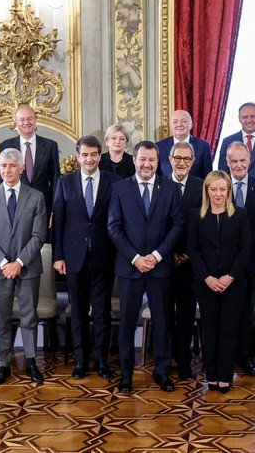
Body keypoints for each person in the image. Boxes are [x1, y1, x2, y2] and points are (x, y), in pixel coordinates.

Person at [108, 140, 183, 394]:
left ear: (157, 161)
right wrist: (136, 258)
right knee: (127, 323)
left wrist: (156, 255)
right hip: (129, 269)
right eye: (142, 159)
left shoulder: (171, 189)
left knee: (163, 323)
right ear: (134, 160)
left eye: (151, 160)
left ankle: (162, 373)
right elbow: (114, 228)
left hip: (160, 269)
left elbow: (177, 226)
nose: (147, 164)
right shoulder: (119, 189)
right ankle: (126, 374)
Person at [0, 148, 48, 385]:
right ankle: (3, 365)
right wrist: (5, 263)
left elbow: (39, 236)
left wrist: (18, 263)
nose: (7, 170)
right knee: (2, 317)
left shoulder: (36, 197)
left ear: (21, 168)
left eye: (12, 166)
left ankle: (30, 361)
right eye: (3, 166)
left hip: (27, 267)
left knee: (29, 317)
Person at [52, 136, 120, 379]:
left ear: (100, 155)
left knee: (101, 312)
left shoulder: (114, 181)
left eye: (93, 154)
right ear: (78, 156)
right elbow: (58, 221)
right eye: (85, 155)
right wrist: (58, 256)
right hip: (73, 257)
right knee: (78, 312)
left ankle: (101, 360)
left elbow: (118, 221)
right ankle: (81, 361)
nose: (89, 159)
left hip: (104, 256)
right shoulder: (65, 182)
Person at [187, 171, 250, 393]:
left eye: (222, 189)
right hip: (206, 284)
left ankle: (225, 376)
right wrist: (208, 277)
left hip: (233, 283)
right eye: (213, 189)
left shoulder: (240, 215)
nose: (218, 194)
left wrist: (230, 276)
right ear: (207, 191)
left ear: (229, 191)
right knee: (210, 330)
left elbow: (245, 249)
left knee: (228, 329)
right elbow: (192, 249)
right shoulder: (196, 216)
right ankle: (211, 376)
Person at [225, 142, 255, 377]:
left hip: (250, 265)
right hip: (222, 266)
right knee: (225, 314)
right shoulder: (218, 187)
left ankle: (244, 356)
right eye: (234, 161)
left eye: (243, 160)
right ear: (227, 162)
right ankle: (224, 357)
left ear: (249, 161)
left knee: (245, 315)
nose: (239, 165)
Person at [168, 141, 203, 380]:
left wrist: (188, 254)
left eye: (186, 159)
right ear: (170, 159)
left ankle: (183, 360)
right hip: (164, 261)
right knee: (164, 312)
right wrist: (168, 254)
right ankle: (164, 356)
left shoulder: (202, 187)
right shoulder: (159, 184)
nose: (181, 163)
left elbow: (204, 226)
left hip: (191, 263)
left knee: (187, 314)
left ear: (193, 161)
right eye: (177, 158)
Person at [0, 105, 61, 217]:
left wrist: (54, 210)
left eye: (30, 118)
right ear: (16, 122)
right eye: (22, 119)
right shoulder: (6, 145)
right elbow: (2, 182)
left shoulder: (50, 146)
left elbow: (55, 180)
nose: (26, 122)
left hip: (43, 207)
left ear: (35, 120)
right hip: (16, 206)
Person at [156, 110, 213, 180]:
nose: (179, 124)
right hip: (166, 190)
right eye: (175, 122)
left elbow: (209, 178)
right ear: (170, 126)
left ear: (191, 125)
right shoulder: (159, 147)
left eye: (184, 121)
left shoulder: (203, 146)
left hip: (195, 190)